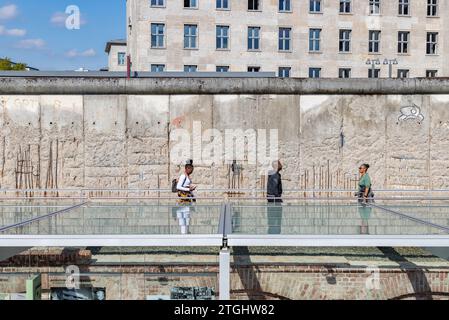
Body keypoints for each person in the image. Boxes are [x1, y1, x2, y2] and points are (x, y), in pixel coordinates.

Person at [267, 160, 283, 234]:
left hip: (272, 198)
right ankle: (275, 234)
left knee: (272, 218)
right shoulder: (275, 175)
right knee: (275, 217)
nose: (281, 165)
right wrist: (278, 198)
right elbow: (274, 188)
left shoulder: (274, 174)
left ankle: (272, 233)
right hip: (274, 199)